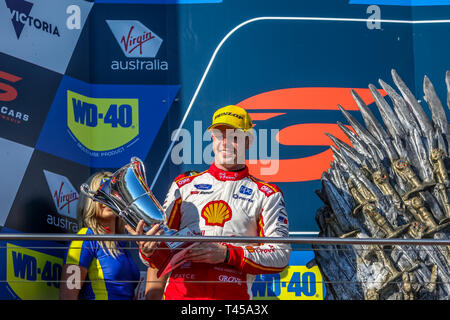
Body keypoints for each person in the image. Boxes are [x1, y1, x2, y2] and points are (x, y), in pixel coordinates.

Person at [131, 105, 291, 300]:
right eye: (219, 135)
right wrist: (148, 251)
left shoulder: (266, 194)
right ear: (212, 139)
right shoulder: (184, 185)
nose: (225, 143)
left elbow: (280, 255)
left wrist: (226, 254)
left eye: (235, 137)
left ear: (248, 141)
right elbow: (162, 252)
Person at [60, 171, 146, 300]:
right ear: (90, 201)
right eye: (101, 195)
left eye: (112, 195)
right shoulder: (85, 238)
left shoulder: (121, 243)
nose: (107, 201)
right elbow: (67, 295)